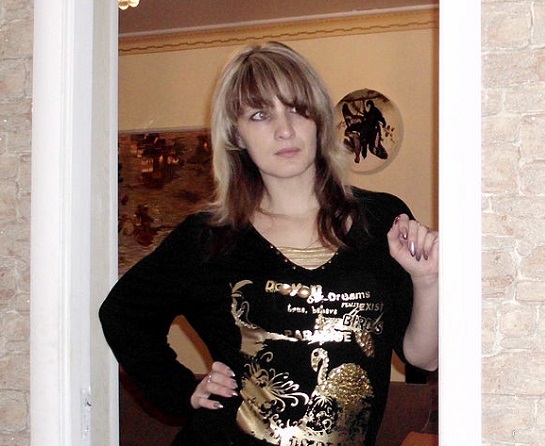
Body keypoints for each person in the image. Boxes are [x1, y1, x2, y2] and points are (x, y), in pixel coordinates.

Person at [99, 41, 438, 446]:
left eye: (297, 109)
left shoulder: (381, 220)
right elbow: (123, 314)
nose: (285, 129)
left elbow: (425, 357)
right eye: (260, 115)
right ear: (236, 134)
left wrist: (428, 280)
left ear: (319, 120)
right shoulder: (209, 237)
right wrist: (181, 390)